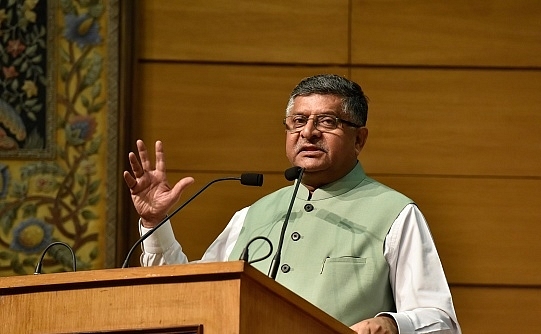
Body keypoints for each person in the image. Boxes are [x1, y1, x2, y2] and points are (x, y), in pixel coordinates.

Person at [123, 74, 461, 334]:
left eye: (327, 121)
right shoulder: (251, 216)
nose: (308, 132)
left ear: (359, 139)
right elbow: (188, 295)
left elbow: (441, 320)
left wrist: (390, 323)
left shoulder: (395, 214)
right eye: (298, 121)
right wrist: (156, 222)